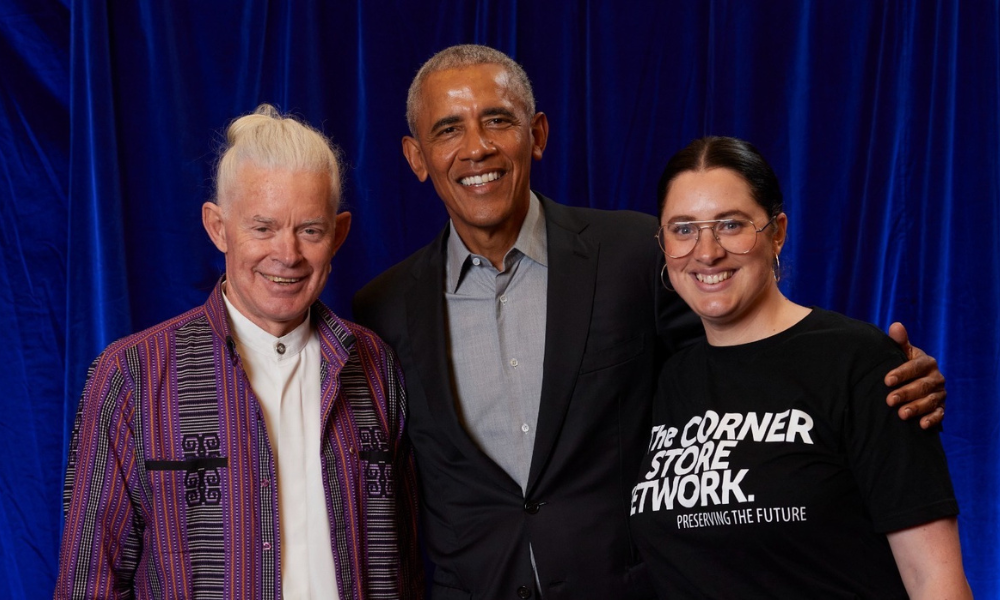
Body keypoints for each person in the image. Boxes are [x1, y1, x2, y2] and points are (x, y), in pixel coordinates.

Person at [352, 45, 945, 600]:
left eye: (498, 120)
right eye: (448, 129)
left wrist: (873, 377)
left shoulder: (637, 252)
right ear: (416, 158)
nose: (475, 147)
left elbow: (743, 352)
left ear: (537, 135)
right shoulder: (383, 308)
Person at [56, 104, 423, 599]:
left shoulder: (376, 366)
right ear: (218, 227)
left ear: (337, 235)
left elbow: (410, 562)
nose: (287, 254)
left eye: (309, 230)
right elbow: (90, 583)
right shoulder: (132, 376)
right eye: (263, 227)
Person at [630, 136, 970, 598]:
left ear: (777, 231)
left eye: (731, 224)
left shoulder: (860, 362)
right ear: (663, 244)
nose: (706, 252)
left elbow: (936, 581)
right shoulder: (667, 379)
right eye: (683, 229)